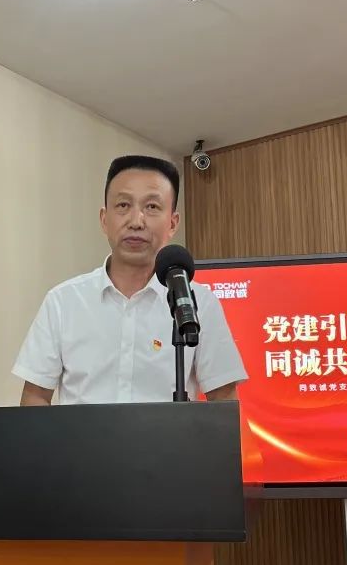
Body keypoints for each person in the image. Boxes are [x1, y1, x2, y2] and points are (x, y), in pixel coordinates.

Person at [13, 155, 247, 405]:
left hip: (169, 434)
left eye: (152, 207)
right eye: (123, 205)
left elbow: (223, 397)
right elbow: (36, 396)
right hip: (79, 434)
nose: (136, 221)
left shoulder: (198, 302)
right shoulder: (63, 301)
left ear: (172, 223)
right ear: (104, 219)